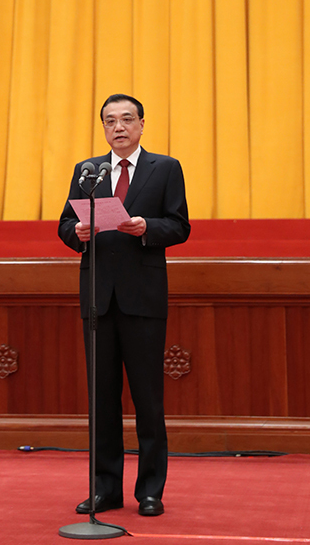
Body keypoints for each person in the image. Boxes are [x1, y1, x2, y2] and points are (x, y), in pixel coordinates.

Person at [58, 94, 190, 517]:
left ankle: (150, 490)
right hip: (98, 298)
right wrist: (76, 233)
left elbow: (180, 225)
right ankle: (105, 489)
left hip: (143, 298)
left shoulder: (165, 168)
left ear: (141, 124)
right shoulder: (88, 171)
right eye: (110, 121)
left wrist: (147, 226)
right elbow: (65, 224)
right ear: (103, 128)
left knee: (148, 401)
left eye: (127, 119)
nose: (119, 127)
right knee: (102, 401)